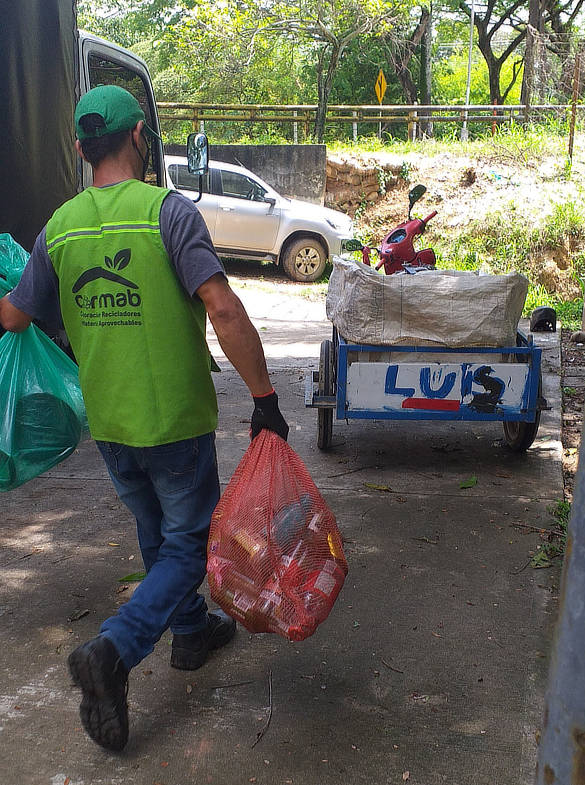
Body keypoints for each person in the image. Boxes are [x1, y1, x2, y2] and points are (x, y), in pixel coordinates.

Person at [0, 85, 289, 752]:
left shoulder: (59, 227)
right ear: (139, 137)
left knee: (156, 529)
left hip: (110, 422)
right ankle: (114, 648)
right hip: (173, 418)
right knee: (188, 543)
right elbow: (222, 307)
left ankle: (189, 632)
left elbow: (13, 316)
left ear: (81, 149)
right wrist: (265, 399)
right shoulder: (169, 213)